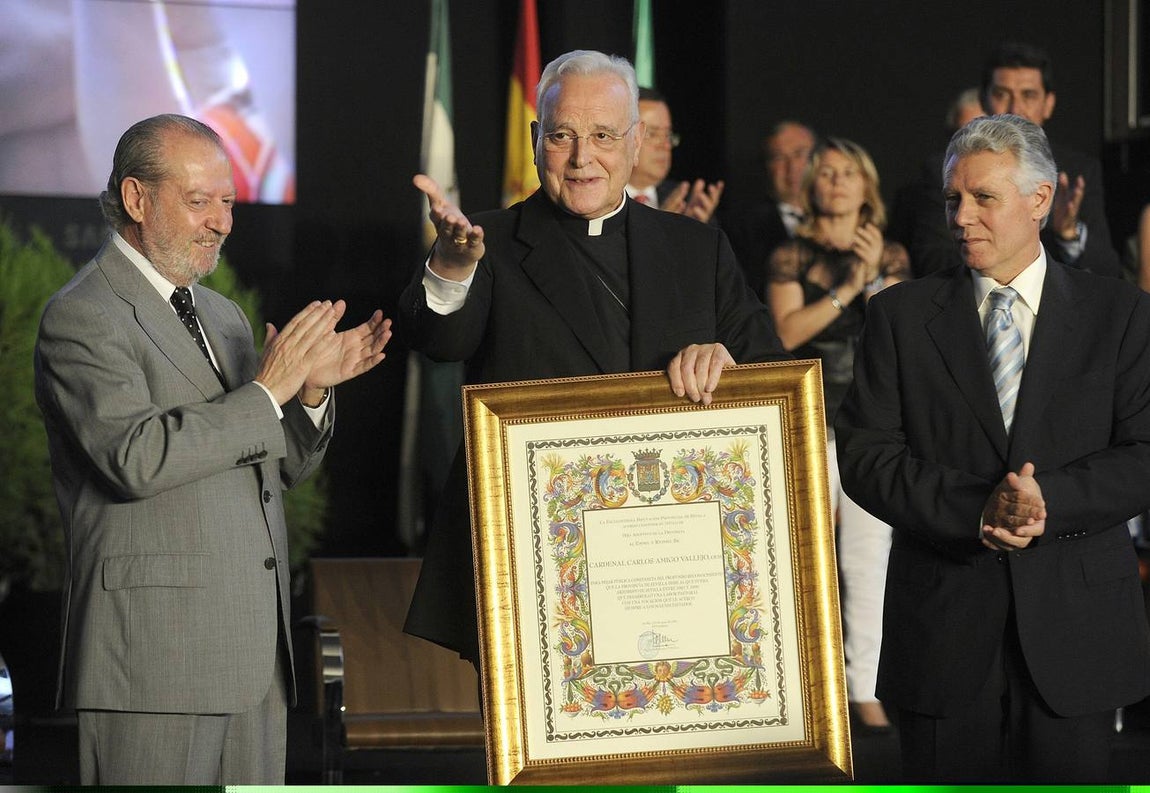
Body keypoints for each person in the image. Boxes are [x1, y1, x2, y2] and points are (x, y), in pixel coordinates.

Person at [33, 114, 392, 784]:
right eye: (199, 202)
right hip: (152, 662)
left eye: (226, 202)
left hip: (255, 662)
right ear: (136, 199)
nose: (222, 222)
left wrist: (308, 394)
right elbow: (135, 458)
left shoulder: (222, 315)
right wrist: (266, 391)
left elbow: (278, 466)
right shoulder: (82, 314)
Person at [400, 49, 789, 666]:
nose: (583, 158)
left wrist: (727, 360)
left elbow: (771, 378)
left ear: (635, 143)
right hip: (532, 556)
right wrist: (451, 266)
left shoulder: (697, 249)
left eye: (604, 135)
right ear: (535, 142)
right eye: (562, 136)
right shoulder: (486, 243)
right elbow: (440, 343)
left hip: (670, 562)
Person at [835, 114, 1150, 782]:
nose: (962, 217)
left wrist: (1048, 502)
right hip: (944, 634)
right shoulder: (899, 317)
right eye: (954, 199)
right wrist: (979, 512)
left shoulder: (1120, 314)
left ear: (1040, 198)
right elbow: (867, 457)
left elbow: (1144, 452)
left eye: (984, 198)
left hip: (1077, 637)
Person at [766, 137, 909, 732]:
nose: (837, 181)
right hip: (807, 420)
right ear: (811, 186)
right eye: (826, 172)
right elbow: (785, 334)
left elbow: (900, 337)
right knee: (798, 558)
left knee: (869, 561)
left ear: (866, 186)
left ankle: (866, 691)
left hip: (869, 425)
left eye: (849, 172)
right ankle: (799, 692)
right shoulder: (790, 256)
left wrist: (875, 279)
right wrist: (847, 288)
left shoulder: (893, 254)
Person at [980, 41, 1122, 278]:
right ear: (984, 100)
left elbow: (1108, 270)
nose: (1015, 108)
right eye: (1001, 94)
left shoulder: (1078, 172)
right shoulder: (950, 172)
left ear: (1048, 104)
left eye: (1029, 95)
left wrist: (1068, 232)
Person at [888, 87, 986, 278]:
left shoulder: (1025, 178)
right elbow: (936, 260)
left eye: (983, 138)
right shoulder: (938, 178)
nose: (972, 148)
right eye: (963, 137)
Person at [726, 120, 817, 298]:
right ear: (766, 167)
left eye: (799, 154)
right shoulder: (742, 227)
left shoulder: (843, 216)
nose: (792, 167)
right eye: (779, 157)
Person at [624, 87, 724, 223]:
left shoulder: (687, 204)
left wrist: (695, 233)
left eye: (668, 135)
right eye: (653, 134)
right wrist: (663, 229)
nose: (665, 145)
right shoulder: (599, 199)